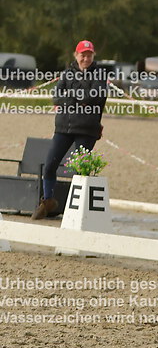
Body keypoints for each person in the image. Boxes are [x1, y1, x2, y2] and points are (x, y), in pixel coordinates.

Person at [32, 40, 109, 219]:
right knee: (49, 165)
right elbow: (56, 98)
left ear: (93, 56)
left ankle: (80, 209)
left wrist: (70, 98)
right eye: (83, 55)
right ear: (76, 55)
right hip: (63, 128)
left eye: (89, 55)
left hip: (87, 129)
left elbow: (92, 97)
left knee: (80, 170)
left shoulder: (99, 75)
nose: (86, 58)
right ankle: (48, 201)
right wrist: (75, 100)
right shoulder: (67, 74)